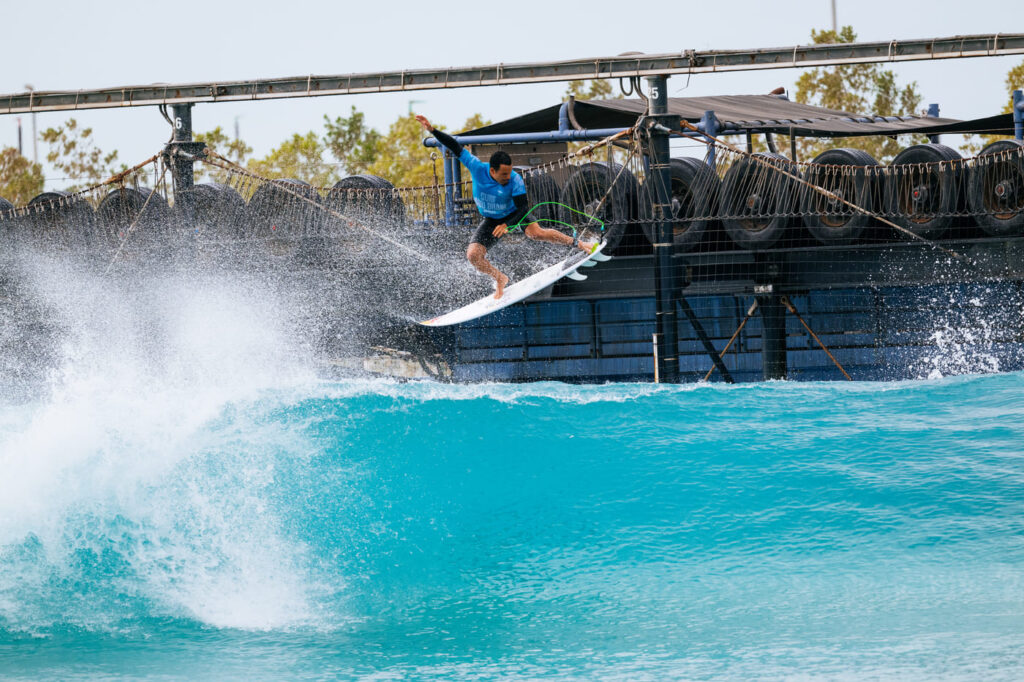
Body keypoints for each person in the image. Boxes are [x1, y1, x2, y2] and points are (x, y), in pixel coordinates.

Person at [415, 114, 596, 299]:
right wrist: (432, 130)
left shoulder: (515, 180)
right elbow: (454, 145)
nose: (508, 177)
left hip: (514, 213)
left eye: (509, 172)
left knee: (536, 233)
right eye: (503, 174)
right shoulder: (477, 167)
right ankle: (500, 278)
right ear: (492, 170)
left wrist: (508, 225)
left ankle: (580, 244)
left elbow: (523, 207)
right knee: (473, 256)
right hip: (492, 219)